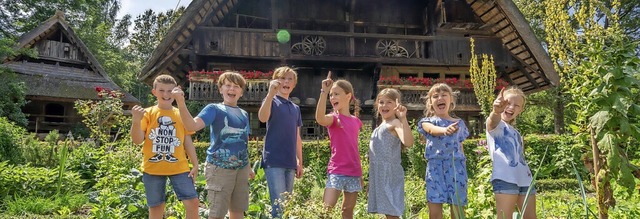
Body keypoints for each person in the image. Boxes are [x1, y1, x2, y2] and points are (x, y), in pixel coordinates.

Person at [173, 71, 255, 219]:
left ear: (241, 92)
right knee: (217, 214)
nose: (232, 89)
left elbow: (243, 142)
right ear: (220, 89)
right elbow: (192, 126)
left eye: (236, 86)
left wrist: (248, 166)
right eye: (228, 85)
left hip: (241, 169)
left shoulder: (243, 114)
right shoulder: (214, 109)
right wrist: (181, 103)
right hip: (219, 168)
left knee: (238, 211)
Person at [130, 74, 200, 219]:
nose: (166, 94)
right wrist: (136, 121)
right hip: (153, 168)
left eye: (170, 91)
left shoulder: (181, 114)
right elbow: (137, 140)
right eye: (161, 90)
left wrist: (195, 163)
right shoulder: (148, 113)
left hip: (180, 168)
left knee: (193, 202)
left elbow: (187, 140)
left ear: (176, 91)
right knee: (156, 207)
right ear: (154, 92)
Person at [416, 83, 469, 219]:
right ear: (430, 103)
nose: (440, 98)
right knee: (434, 210)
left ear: (451, 100)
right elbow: (431, 130)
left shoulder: (459, 123)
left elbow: (460, 146)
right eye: (435, 96)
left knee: (457, 210)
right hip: (435, 168)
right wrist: (445, 131)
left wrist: (463, 165)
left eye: (444, 95)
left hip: (457, 168)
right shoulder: (427, 122)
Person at [257, 66, 304, 218]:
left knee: (287, 207)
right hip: (274, 161)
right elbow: (262, 118)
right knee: (279, 207)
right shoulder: (271, 100)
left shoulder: (295, 108)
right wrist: (270, 94)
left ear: (294, 84)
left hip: (290, 163)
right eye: (283, 78)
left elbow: (297, 136)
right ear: (275, 81)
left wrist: (300, 161)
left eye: (290, 79)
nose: (286, 81)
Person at [315, 71, 363, 219]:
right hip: (337, 170)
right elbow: (320, 118)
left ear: (348, 96)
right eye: (331, 95)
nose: (332, 97)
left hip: (354, 171)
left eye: (336, 94)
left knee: (347, 210)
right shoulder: (334, 119)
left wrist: (360, 174)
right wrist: (324, 92)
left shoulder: (356, 121)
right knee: (326, 209)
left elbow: (354, 148)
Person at [486, 87, 536, 219]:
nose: (511, 107)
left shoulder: (516, 133)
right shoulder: (496, 126)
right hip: (505, 179)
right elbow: (493, 120)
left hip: (525, 179)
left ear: (520, 110)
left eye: (516, 105)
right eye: (508, 103)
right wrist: (496, 111)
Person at [367, 88, 414, 219]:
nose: (384, 105)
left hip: (389, 173)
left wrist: (403, 119)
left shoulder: (395, 123)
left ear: (396, 105)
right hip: (379, 173)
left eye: (389, 102)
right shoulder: (380, 126)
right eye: (381, 102)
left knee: (391, 212)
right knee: (387, 212)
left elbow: (408, 142)